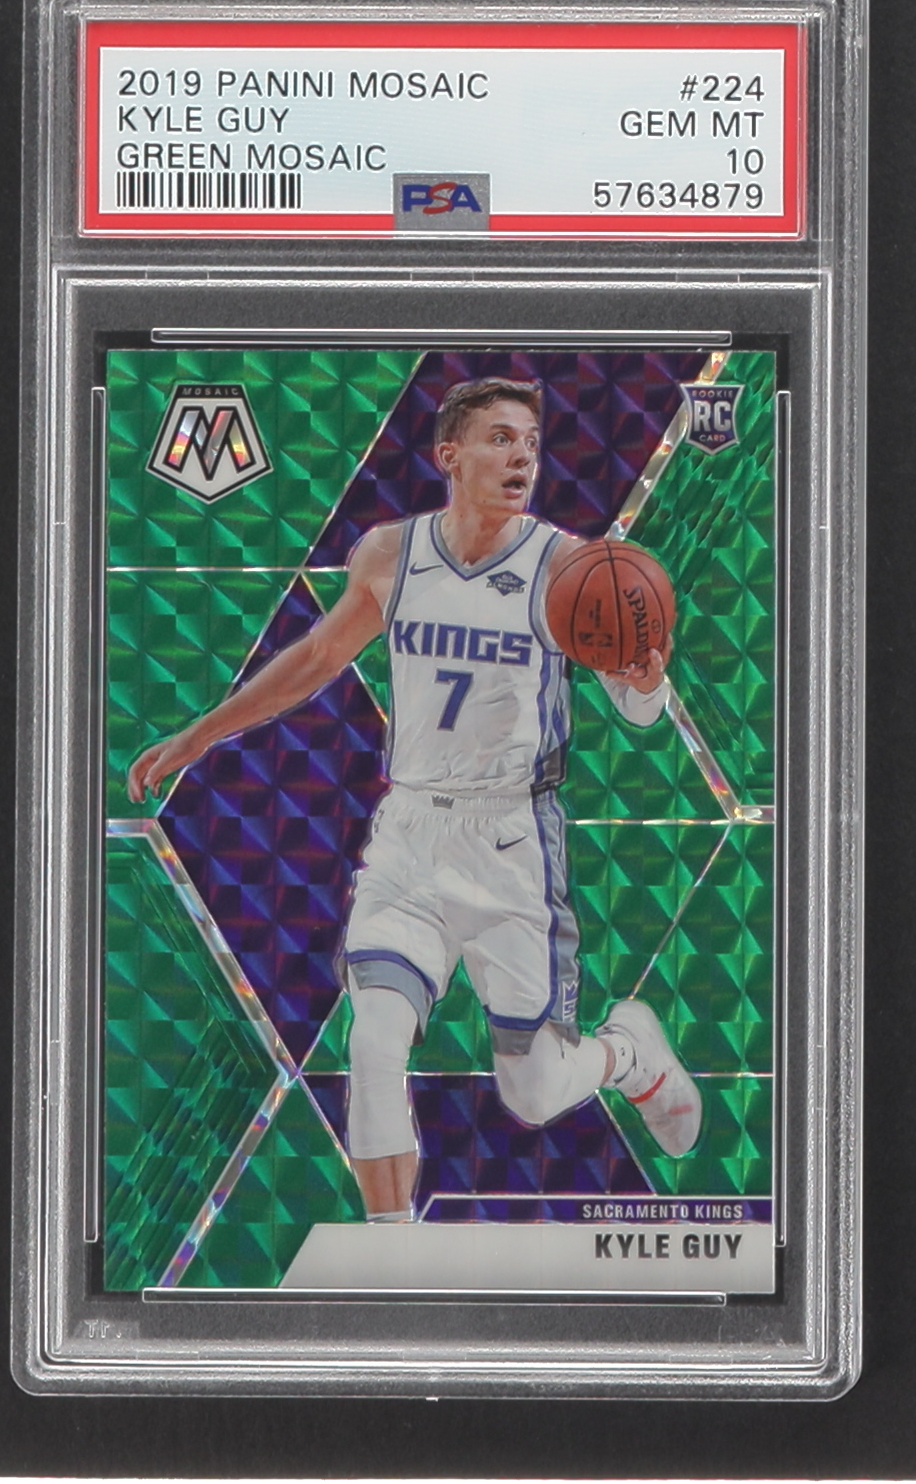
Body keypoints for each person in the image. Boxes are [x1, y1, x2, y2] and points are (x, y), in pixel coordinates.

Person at [128, 377, 702, 1221]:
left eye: (531, 442)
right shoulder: (389, 555)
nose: (522, 456)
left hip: (512, 841)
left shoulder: (567, 568)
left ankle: (627, 1052)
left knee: (535, 1091)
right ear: (449, 454)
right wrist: (200, 734)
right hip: (409, 833)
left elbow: (634, 699)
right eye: (500, 438)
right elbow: (317, 658)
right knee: (371, 1044)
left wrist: (646, 681)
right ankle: (390, 1251)